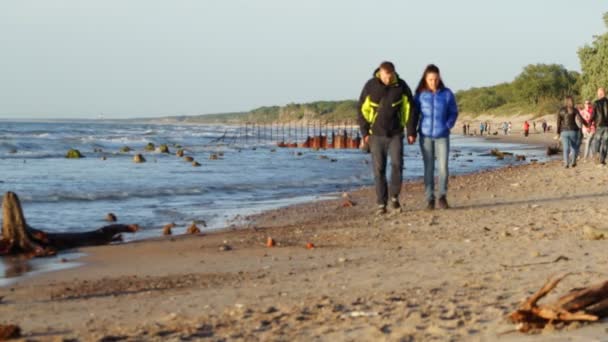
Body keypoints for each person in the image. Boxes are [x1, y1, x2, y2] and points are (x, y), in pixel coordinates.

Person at [358, 61, 418, 215]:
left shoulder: (401, 86)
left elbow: (410, 109)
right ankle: (381, 203)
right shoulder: (370, 86)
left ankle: (394, 198)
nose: (388, 79)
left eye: (390, 75)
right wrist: (365, 133)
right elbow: (361, 110)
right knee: (379, 170)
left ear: (394, 73)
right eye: (385, 76)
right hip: (375, 135)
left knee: (397, 165)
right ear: (380, 72)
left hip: (396, 134)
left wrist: (411, 131)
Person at [415, 64, 458, 210]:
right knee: (428, 168)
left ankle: (442, 196)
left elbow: (453, 112)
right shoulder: (420, 94)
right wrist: (412, 132)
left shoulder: (447, 94)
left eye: (436, 79)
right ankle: (429, 199)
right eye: (430, 79)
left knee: (443, 168)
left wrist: (448, 125)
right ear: (425, 79)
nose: (433, 82)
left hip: (442, 136)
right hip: (425, 136)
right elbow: (414, 114)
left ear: (439, 78)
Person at [557, 96, 584, 168]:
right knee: (574, 147)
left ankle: (566, 163)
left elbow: (558, 123)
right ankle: (573, 161)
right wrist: (586, 124)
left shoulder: (561, 110)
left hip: (564, 131)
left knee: (566, 147)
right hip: (573, 131)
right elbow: (581, 119)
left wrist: (558, 132)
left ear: (565, 101)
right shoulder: (574, 110)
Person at [591, 87, 608, 165]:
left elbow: (593, 115)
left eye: (598, 93)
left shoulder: (596, 103)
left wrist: (589, 123)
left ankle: (597, 154)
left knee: (597, 141)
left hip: (599, 125)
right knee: (605, 143)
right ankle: (602, 160)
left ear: (600, 94)